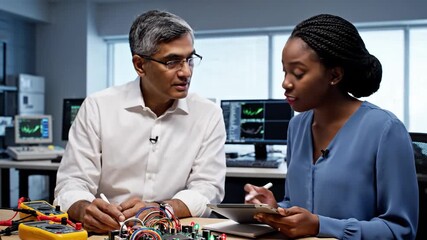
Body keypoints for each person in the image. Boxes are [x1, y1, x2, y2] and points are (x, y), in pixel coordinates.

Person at [244, 14, 418, 239]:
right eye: (285, 71)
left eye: (298, 73)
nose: (285, 83)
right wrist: (276, 208)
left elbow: (401, 230)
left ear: (334, 75)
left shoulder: (385, 129)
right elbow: (300, 206)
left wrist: (320, 226)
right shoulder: (297, 127)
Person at [54, 10, 227, 234]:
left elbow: (207, 188)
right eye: (172, 61)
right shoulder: (98, 106)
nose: (186, 72)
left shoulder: (208, 114)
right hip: (108, 231)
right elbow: (72, 182)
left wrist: (161, 210)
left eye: (190, 59)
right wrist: (85, 209)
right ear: (140, 65)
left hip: (173, 231)